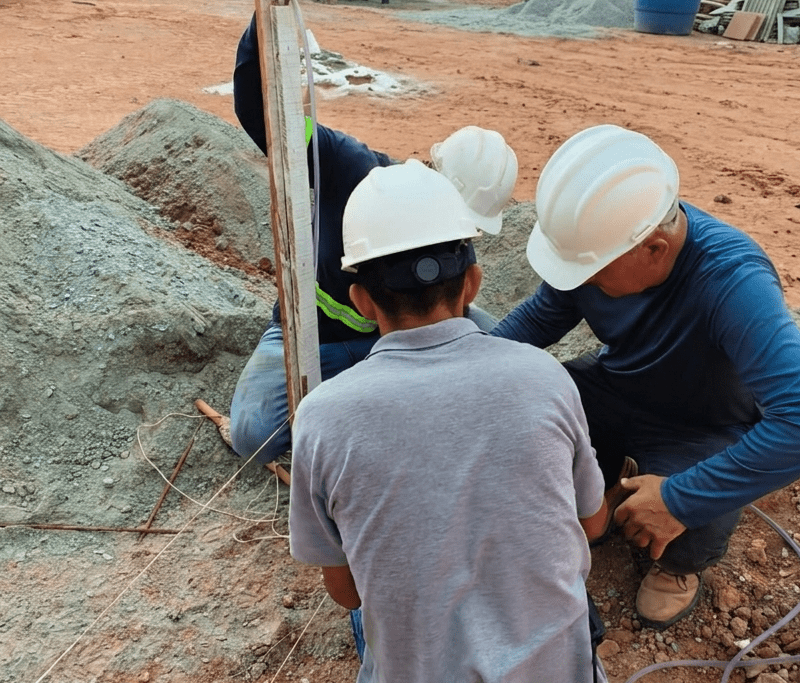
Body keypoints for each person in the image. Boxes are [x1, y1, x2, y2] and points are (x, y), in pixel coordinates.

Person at [288, 159, 609, 683]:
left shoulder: (322, 417)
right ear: (474, 283)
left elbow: (346, 591)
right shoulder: (543, 374)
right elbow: (591, 523)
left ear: (362, 300)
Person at [491, 123, 800, 630]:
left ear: (654, 248)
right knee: (529, 403)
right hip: (618, 387)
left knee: (691, 532)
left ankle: (678, 565)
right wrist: (468, 363)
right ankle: (608, 489)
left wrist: (681, 499)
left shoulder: (733, 280)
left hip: (702, 424)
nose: (581, 282)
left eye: (590, 273)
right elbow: (541, 317)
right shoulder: (603, 245)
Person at [229, 12, 518, 464]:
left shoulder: (457, 237)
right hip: (312, 337)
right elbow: (265, 118)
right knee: (253, 435)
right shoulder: (350, 169)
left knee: (503, 352)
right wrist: (264, 23)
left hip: (405, 342)